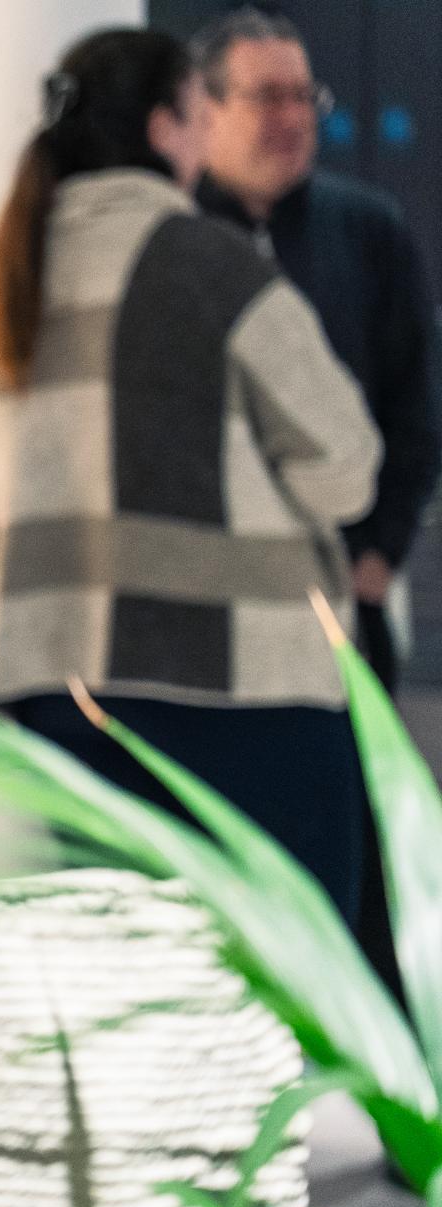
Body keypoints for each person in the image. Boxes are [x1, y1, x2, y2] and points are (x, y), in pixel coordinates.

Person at [0, 29, 381, 925]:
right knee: (296, 981)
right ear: (163, 127)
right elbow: (347, 469)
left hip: (55, 692)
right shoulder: (211, 266)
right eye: (197, 114)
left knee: (135, 981)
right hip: (239, 687)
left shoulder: (4, 284)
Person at [192, 8, 441, 698]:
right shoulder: (172, 234)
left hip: (346, 593)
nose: (294, 117)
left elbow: (415, 404)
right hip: (206, 609)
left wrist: (380, 555)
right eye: (268, 96)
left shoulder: (368, 229)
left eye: (305, 96)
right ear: (203, 108)